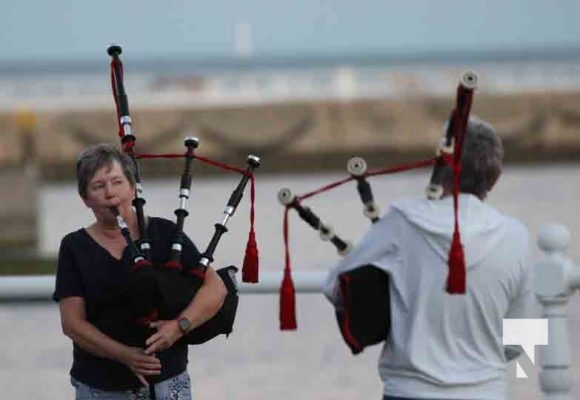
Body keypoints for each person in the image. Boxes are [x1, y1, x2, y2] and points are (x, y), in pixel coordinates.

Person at [324, 117, 536, 400]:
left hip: (409, 391)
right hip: (487, 391)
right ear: (494, 177)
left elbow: (335, 286)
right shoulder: (516, 236)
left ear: (440, 169)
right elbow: (521, 340)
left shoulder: (402, 220)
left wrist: (389, 303)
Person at [53, 143, 227, 399]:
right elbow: (72, 323)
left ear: (133, 188)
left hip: (168, 381)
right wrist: (125, 355)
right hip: (100, 385)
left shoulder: (166, 233)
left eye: (117, 182)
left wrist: (178, 327)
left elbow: (215, 288)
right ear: (85, 199)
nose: (110, 194)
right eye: (98, 186)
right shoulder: (74, 247)